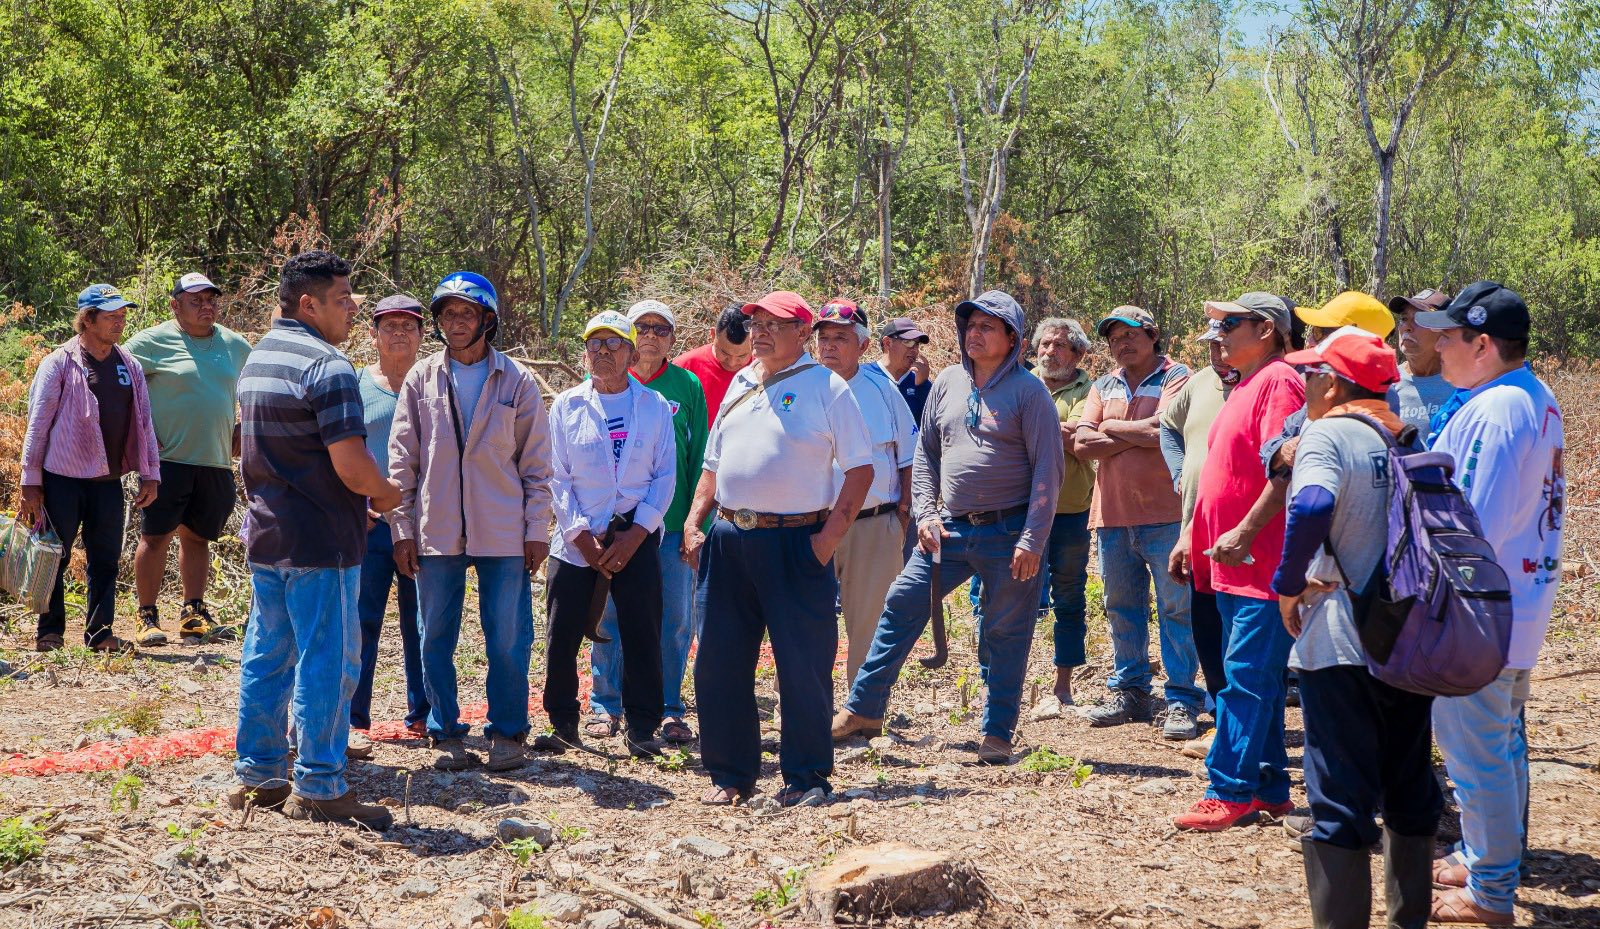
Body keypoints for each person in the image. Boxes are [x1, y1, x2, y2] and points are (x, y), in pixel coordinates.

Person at [833, 290, 1065, 765]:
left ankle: (997, 731)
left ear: (1013, 339)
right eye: (970, 325)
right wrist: (927, 512)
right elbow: (926, 454)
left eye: (987, 327)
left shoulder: (1029, 392)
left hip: (1009, 532)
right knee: (899, 605)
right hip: (950, 531)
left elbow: (1048, 470)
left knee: (1005, 631)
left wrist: (1032, 539)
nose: (974, 334)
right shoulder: (948, 383)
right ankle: (863, 710)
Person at [1272, 327, 1437, 929]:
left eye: (1312, 374)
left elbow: (1313, 503)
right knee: (1408, 781)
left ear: (1333, 383)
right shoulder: (1406, 436)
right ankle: (1406, 920)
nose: (1305, 383)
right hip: (1411, 638)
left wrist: (1287, 584)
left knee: (1338, 794)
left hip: (1341, 638)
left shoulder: (1327, 433)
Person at [683, 290, 874, 806]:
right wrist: (693, 520)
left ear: (802, 333)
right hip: (728, 541)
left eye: (775, 324)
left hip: (796, 542)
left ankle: (806, 776)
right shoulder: (742, 381)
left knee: (802, 664)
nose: (761, 332)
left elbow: (860, 469)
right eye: (756, 323)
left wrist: (825, 541)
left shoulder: (828, 387)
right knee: (719, 662)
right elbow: (713, 464)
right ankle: (731, 775)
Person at [230, 250, 400, 829]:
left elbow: (246, 446)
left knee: (267, 655)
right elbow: (352, 466)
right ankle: (322, 784)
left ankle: (259, 776)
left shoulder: (258, 358)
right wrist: (384, 494)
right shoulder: (328, 367)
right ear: (309, 304)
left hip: (269, 532)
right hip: (321, 538)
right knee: (327, 658)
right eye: (342, 299)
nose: (352, 309)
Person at [1414, 282, 1563, 926]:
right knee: (1492, 745)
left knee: (1477, 755)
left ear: (1482, 344)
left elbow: (1469, 521)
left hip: (1479, 612)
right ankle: (1483, 859)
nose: (1436, 344)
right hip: (1512, 606)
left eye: (1448, 335)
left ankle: (1491, 891)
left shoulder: (1500, 407)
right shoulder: (1526, 395)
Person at [389, 272, 553, 773]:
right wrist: (401, 528)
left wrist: (536, 529)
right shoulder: (421, 378)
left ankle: (508, 731)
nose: (455, 323)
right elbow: (402, 459)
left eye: (466, 313)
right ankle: (445, 731)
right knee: (434, 632)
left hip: (503, 531)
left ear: (488, 320)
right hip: (436, 529)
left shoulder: (517, 380)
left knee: (507, 635)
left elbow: (537, 465)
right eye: (447, 314)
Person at [1176, 292, 1305, 831]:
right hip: (1232, 561)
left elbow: (1287, 466)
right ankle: (1270, 787)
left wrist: (1245, 530)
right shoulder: (1246, 382)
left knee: (1244, 679)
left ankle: (1227, 789)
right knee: (1260, 680)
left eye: (1232, 323)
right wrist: (1191, 532)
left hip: (1262, 560)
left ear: (1269, 329)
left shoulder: (1279, 380)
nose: (1220, 333)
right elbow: (1220, 470)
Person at [543, 311, 676, 758]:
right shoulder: (566, 405)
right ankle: (563, 723)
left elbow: (665, 476)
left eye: (613, 343)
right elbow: (556, 477)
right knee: (562, 634)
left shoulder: (655, 406)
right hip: (578, 539)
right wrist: (580, 535)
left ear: (633, 353)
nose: (602, 351)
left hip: (634, 536)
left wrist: (637, 534)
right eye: (594, 343)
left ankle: (642, 726)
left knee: (643, 631)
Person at [1073, 307, 1201, 740]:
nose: (1123, 344)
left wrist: (1109, 427)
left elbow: (1165, 431)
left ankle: (1183, 698)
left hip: (1166, 515)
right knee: (1121, 607)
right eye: (1114, 338)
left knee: (1176, 609)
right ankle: (1130, 691)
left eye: (1131, 335)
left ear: (1152, 335)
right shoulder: (1103, 383)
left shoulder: (1177, 376)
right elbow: (1081, 444)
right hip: (1111, 516)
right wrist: (1133, 431)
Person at [587, 300, 709, 744]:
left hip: (671, 526)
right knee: (610, 615)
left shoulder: (686, 386)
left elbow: (699, 460)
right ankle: (605, 704)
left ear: (673, 340)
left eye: (661, 329)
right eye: (643, 327)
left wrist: (697, 523)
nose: (652, 335)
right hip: (615, 528)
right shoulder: (602, 380)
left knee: (674, 619)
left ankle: (669, 707)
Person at [19, 284, 161, 653]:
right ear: (87, 319)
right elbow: (38, 425)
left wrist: (150, 473)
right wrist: (30, 481)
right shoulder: (61, 362)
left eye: (122, 315)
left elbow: (144, 421)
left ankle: (100, 633)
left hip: (108, 480)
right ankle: (49, 631)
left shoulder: (127, 364)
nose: (120, 321)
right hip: (61, 479)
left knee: (105, 558)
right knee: (55, 556)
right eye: (111, 315)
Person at [123, 273, 253, 646]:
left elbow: (258, 387)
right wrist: (139, 435)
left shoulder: (235, 345)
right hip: (167, 461)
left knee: (198, 538)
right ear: (175, 304)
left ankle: (194, 613)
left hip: (216, 460)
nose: (206, 306)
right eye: (195, 300)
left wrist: (245, 428)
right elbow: (120, 384)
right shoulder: (151, 341)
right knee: (156, 536)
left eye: (211, 299)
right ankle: (146, 615)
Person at [812, 299, 916, 684]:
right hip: (811, 523)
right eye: (823, 338)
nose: (829, 347)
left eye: (841, 338)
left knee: (871, 622)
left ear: (864, 346)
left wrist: (902, 514)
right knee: (806, 619)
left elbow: (908, 457)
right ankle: (806, 708)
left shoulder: (882, 389)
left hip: (874, 524)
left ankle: (864, 711)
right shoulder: (802, 384)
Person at [351, 295, 430, 747]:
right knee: (361, 622)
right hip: (369, 524)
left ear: (422, 335)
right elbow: (339, 450)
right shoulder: (357, 385)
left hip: (423, 526)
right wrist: (353, 503)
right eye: (389, 325)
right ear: (373, 333)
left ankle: (424, 713)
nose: (399, 333)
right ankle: (353, 718)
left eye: (409, 326)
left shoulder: (435, 384)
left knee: (424, 622)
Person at [1160, 324, 1238, 759]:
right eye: (1211, 344)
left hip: (1245, 534)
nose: (1217, 352)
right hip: (1197, 526)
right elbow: (1169, 428)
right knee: (1206, 626)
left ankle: (1246, 735)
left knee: (1240, 634)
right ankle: (1224, 724)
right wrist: (1180, 473)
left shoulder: (1264, 383)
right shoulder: (1199, 384)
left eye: (1224, 343)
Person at [1031, 317, 1095, 705]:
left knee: (1069, 598)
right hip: (1019, 510)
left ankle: (1063, 684)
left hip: (1071, 512)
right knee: (1006, 598)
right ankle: (1001, 682)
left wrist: (1029, 426)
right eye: (1045, 345)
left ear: (1078, 354)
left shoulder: (1092, 390)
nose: (1049, 352)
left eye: (1060, 346)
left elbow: (1080, 439)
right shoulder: (1019, 382)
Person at [1387, 288, 1455, 437]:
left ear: (1444, 332)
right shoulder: (1387, 385)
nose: (1407, 327)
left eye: (1420, 320)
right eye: (1404, 319)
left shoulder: (1463, 385)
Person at [674, 304, 754, 428]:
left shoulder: (764, 370)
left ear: (755, 341)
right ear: (712, 335)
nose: (732, 363)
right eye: (724, 353)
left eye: (742, 356)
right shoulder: (684, 368)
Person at [876, 317, 932, 424]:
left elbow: (930, 430)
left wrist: (923, 386)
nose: (915, 349)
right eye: (908, 342)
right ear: (887, 343)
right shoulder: (865, 375)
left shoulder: (920, 382)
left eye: (917, 344)